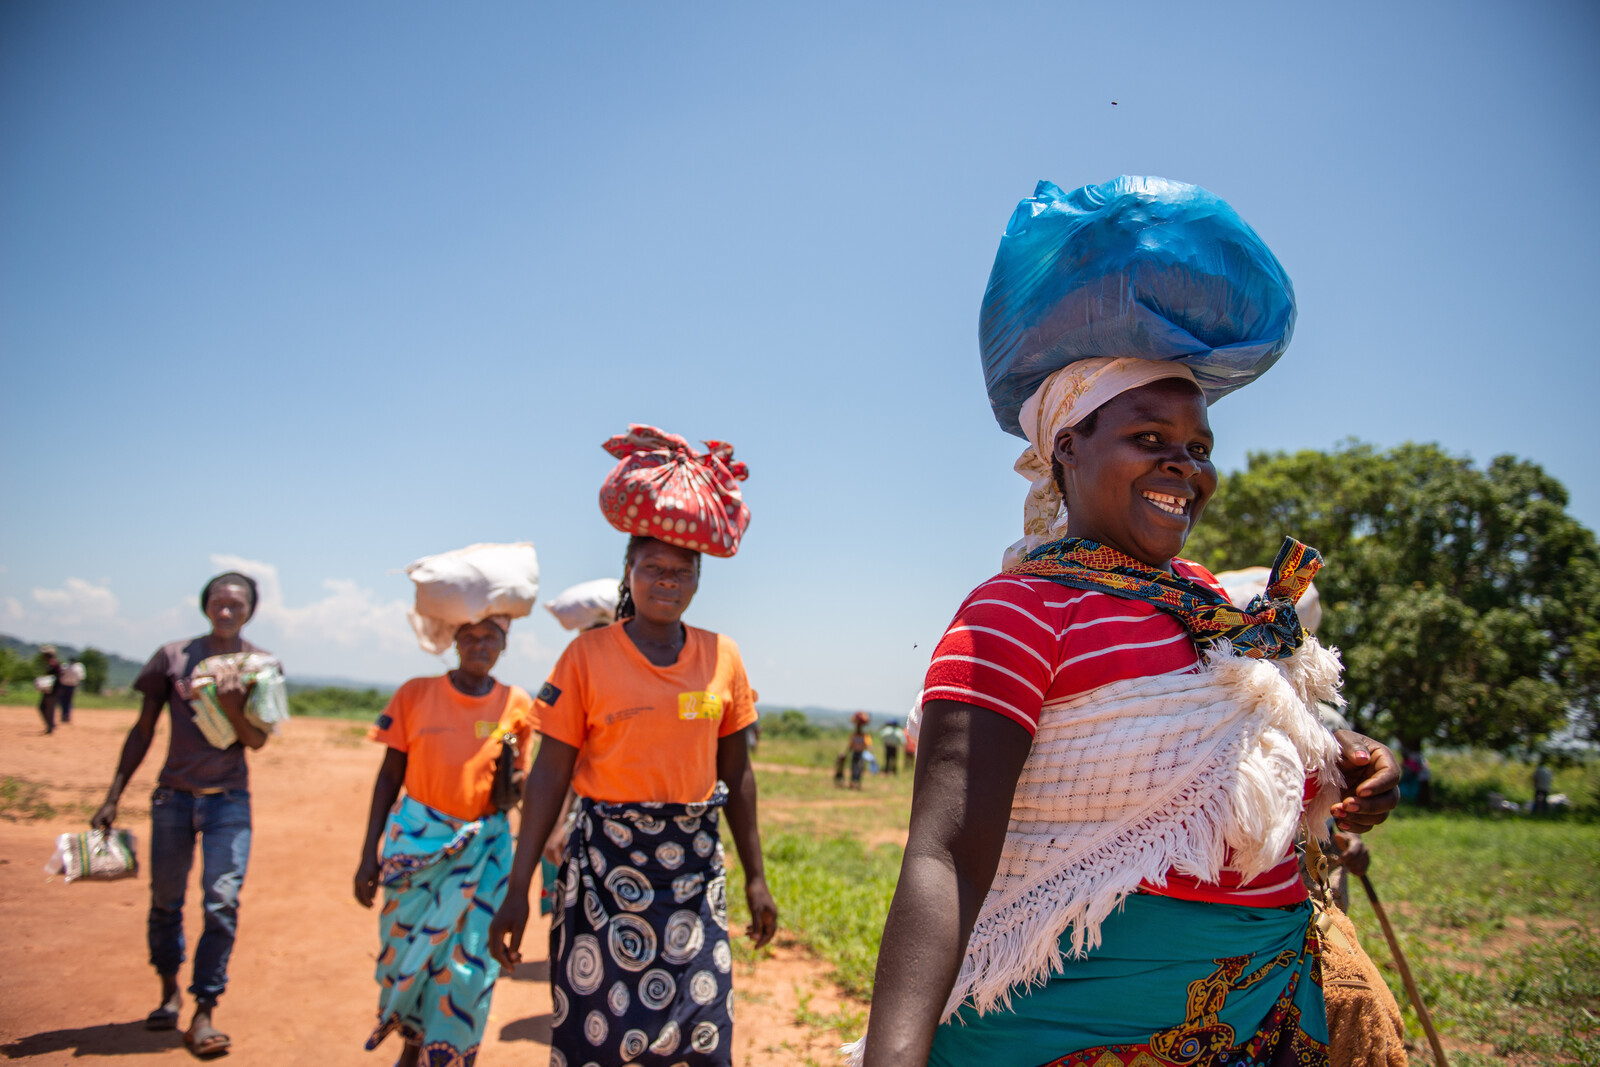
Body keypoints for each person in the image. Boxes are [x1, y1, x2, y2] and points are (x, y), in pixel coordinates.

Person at [849, 177, 1401, 1066]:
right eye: (1151, 438)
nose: (1185, 466)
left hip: (1261, 1020)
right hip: (1071, 1031)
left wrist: (1348, 760)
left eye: (1199, 446)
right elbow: (945, 853)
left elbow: (1240, 741)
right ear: (1066, 446)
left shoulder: (1218, 612)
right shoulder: (1020, 613)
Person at [489, 426, 777, 1066]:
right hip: (603, 871)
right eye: (652, 568)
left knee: (701, 1033)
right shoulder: (586, 657)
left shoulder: (721, 657)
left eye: (680, 571)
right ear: (629, 572)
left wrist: (756, 877)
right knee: (602, 1036)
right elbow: (547, 777)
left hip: (694, 874)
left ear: (698, 580)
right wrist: (516, 887)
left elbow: (739, 774)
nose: (665, 581)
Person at [90, 572, 272, 1058]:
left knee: (222, 900)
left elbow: (256, 740)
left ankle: (205, 1008)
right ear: (205, 605)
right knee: (166, 899)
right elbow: (143, 728)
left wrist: (235, 707)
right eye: (219, 601)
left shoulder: (261, 666)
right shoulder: (173, 658)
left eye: (237, 603)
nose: (227, 610)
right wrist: (113, 795)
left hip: (229, 800)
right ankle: (168, 990)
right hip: (173, 798)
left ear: (251, 609)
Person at [354, 615, 536, 1067]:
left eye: (490, 637)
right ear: (454, 642)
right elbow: (389, 776)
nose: (479, 645)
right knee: (407, 951)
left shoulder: (516, 704)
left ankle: (449, 1053)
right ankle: (413, 1044)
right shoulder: (415, 694)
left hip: (485, 852)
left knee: (470, 958)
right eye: (469, 636)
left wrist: (512, 783)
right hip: (416, 846)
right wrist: (367, 855)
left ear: (504, 644)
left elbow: (519, 779)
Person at [35, 644, 62, 734]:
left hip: (53, 691)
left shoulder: (53, 664)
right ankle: (50, 725)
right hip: (49, 690)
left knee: (47, 708)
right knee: (44, 707)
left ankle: (50, 726)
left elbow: (58, 676)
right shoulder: (52, 663)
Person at [56, 658, 84, 724]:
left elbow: (60, 675)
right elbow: (81, 677)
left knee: (64, 701)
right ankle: (66, 715)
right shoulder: (78, 668)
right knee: (67, 701)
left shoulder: (65, 667)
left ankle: (65, 715)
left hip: (65, 685)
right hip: (71, 686)